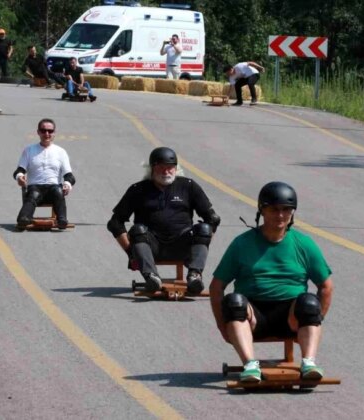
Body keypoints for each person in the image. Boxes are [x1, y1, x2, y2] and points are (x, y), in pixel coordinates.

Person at [209, 182, 334, 382]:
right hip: (253, 318)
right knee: (234, 302)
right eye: (274, 209)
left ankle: (309, 362)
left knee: (310, 303)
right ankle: (250, 365)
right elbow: (217, 287)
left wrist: (314, 322)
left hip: (291, 318)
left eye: (286, 210)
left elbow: (326, 287)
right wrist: (221, 326)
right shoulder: (242, 243)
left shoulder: (303, 244)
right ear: (262, 210)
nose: (281, 215)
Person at [106, 147, 221, 294]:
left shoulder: (188, 186)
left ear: (176, 168)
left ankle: (195, 275)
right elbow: (115, 223)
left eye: (170, 168)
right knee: (138, 230)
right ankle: (152, 277)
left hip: (183, 246)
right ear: (152, 168)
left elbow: (213, 219)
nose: (166, 172)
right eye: (161, 167)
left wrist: (201, 248)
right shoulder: (138, 190)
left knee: (205, 227)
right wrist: (131, 253)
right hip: (151, 247)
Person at [13, 118, 75, 230]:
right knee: (34, 194)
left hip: (53, 189)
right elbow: (19, 171)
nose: (47, 134)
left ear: (54, 133)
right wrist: (20, 177)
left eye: (50, 131)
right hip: (35, 188)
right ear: (38, 132)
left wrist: (67, 184)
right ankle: (23, 219)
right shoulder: (29, 150)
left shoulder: (61, 152)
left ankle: (62, 220)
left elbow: (69, 176)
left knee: (58, 190)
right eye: (43, 130)